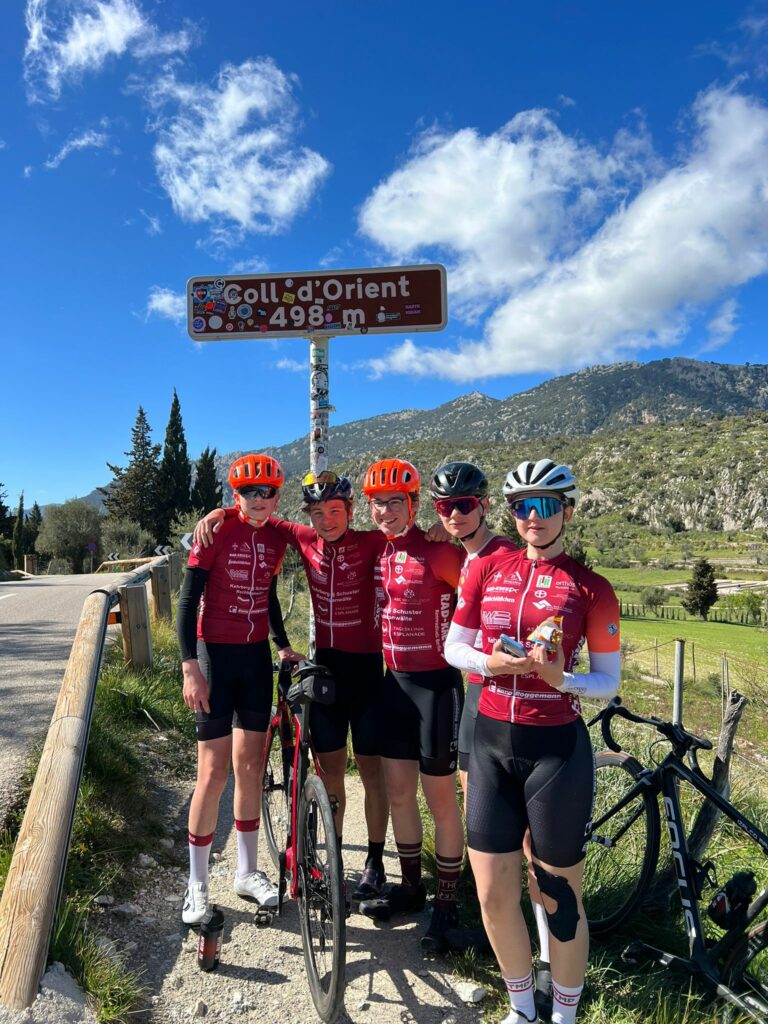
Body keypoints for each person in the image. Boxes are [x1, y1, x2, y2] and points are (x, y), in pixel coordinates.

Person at [444, 459, 621, 1024]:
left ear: (567, 512)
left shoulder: (591, 588)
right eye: (522, 507)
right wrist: (489, 663)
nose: (533, 518)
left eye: (546, 507)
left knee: (559, 899)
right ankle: (522, 1008)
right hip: (491, 741)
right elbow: (455, 646)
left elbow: (608, 681)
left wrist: (561, 680)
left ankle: (564, 1015)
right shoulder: (486, 570)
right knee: (493, 892)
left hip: (555, 752)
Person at [193, 470, 391, 900]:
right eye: (318, 513)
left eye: (335, 511)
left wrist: (434, 532)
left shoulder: (373, 542)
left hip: (369, 672)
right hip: (328, 669)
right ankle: (333, 860)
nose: (327, 520)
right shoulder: (301, 536)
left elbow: (410, 543)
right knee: (332, 769)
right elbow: (255, 515)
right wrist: (220, 511)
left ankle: (375, 862)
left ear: (351, 510)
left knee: (372, 772)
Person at [430, 461, 552, 987]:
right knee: (485, 823)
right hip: (472, 702)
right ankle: (497, 928)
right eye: (445, 507)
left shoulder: (507, 555)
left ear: (484, 505)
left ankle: (547, 953)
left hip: (510, 706)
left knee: (528, 839)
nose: (455, 515)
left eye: (464, 505)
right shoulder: (461, 555)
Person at [177, 453, 301, 926]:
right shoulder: (216, 530)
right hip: (214, 657)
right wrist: (190, 666)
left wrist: (285, 645)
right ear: (236, 495)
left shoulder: (276, 538)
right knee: (212, 772)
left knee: (250, 765)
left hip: (254, 659)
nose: (262, 499)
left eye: (270, 491)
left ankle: (247, 872)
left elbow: (268, 595)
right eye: (252, 492)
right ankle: (197, 884)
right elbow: (188, 600)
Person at [357, 458, 465, 954]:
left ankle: (446, 904)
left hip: (437, 688)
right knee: (399, 792)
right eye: (377, 503)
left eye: (394, 503)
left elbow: (486, 586)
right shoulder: (382, 552)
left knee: (440, 799)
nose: (384, 512)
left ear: (414, 504)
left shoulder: (438, 553)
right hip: (392, 686)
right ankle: (410, 887)